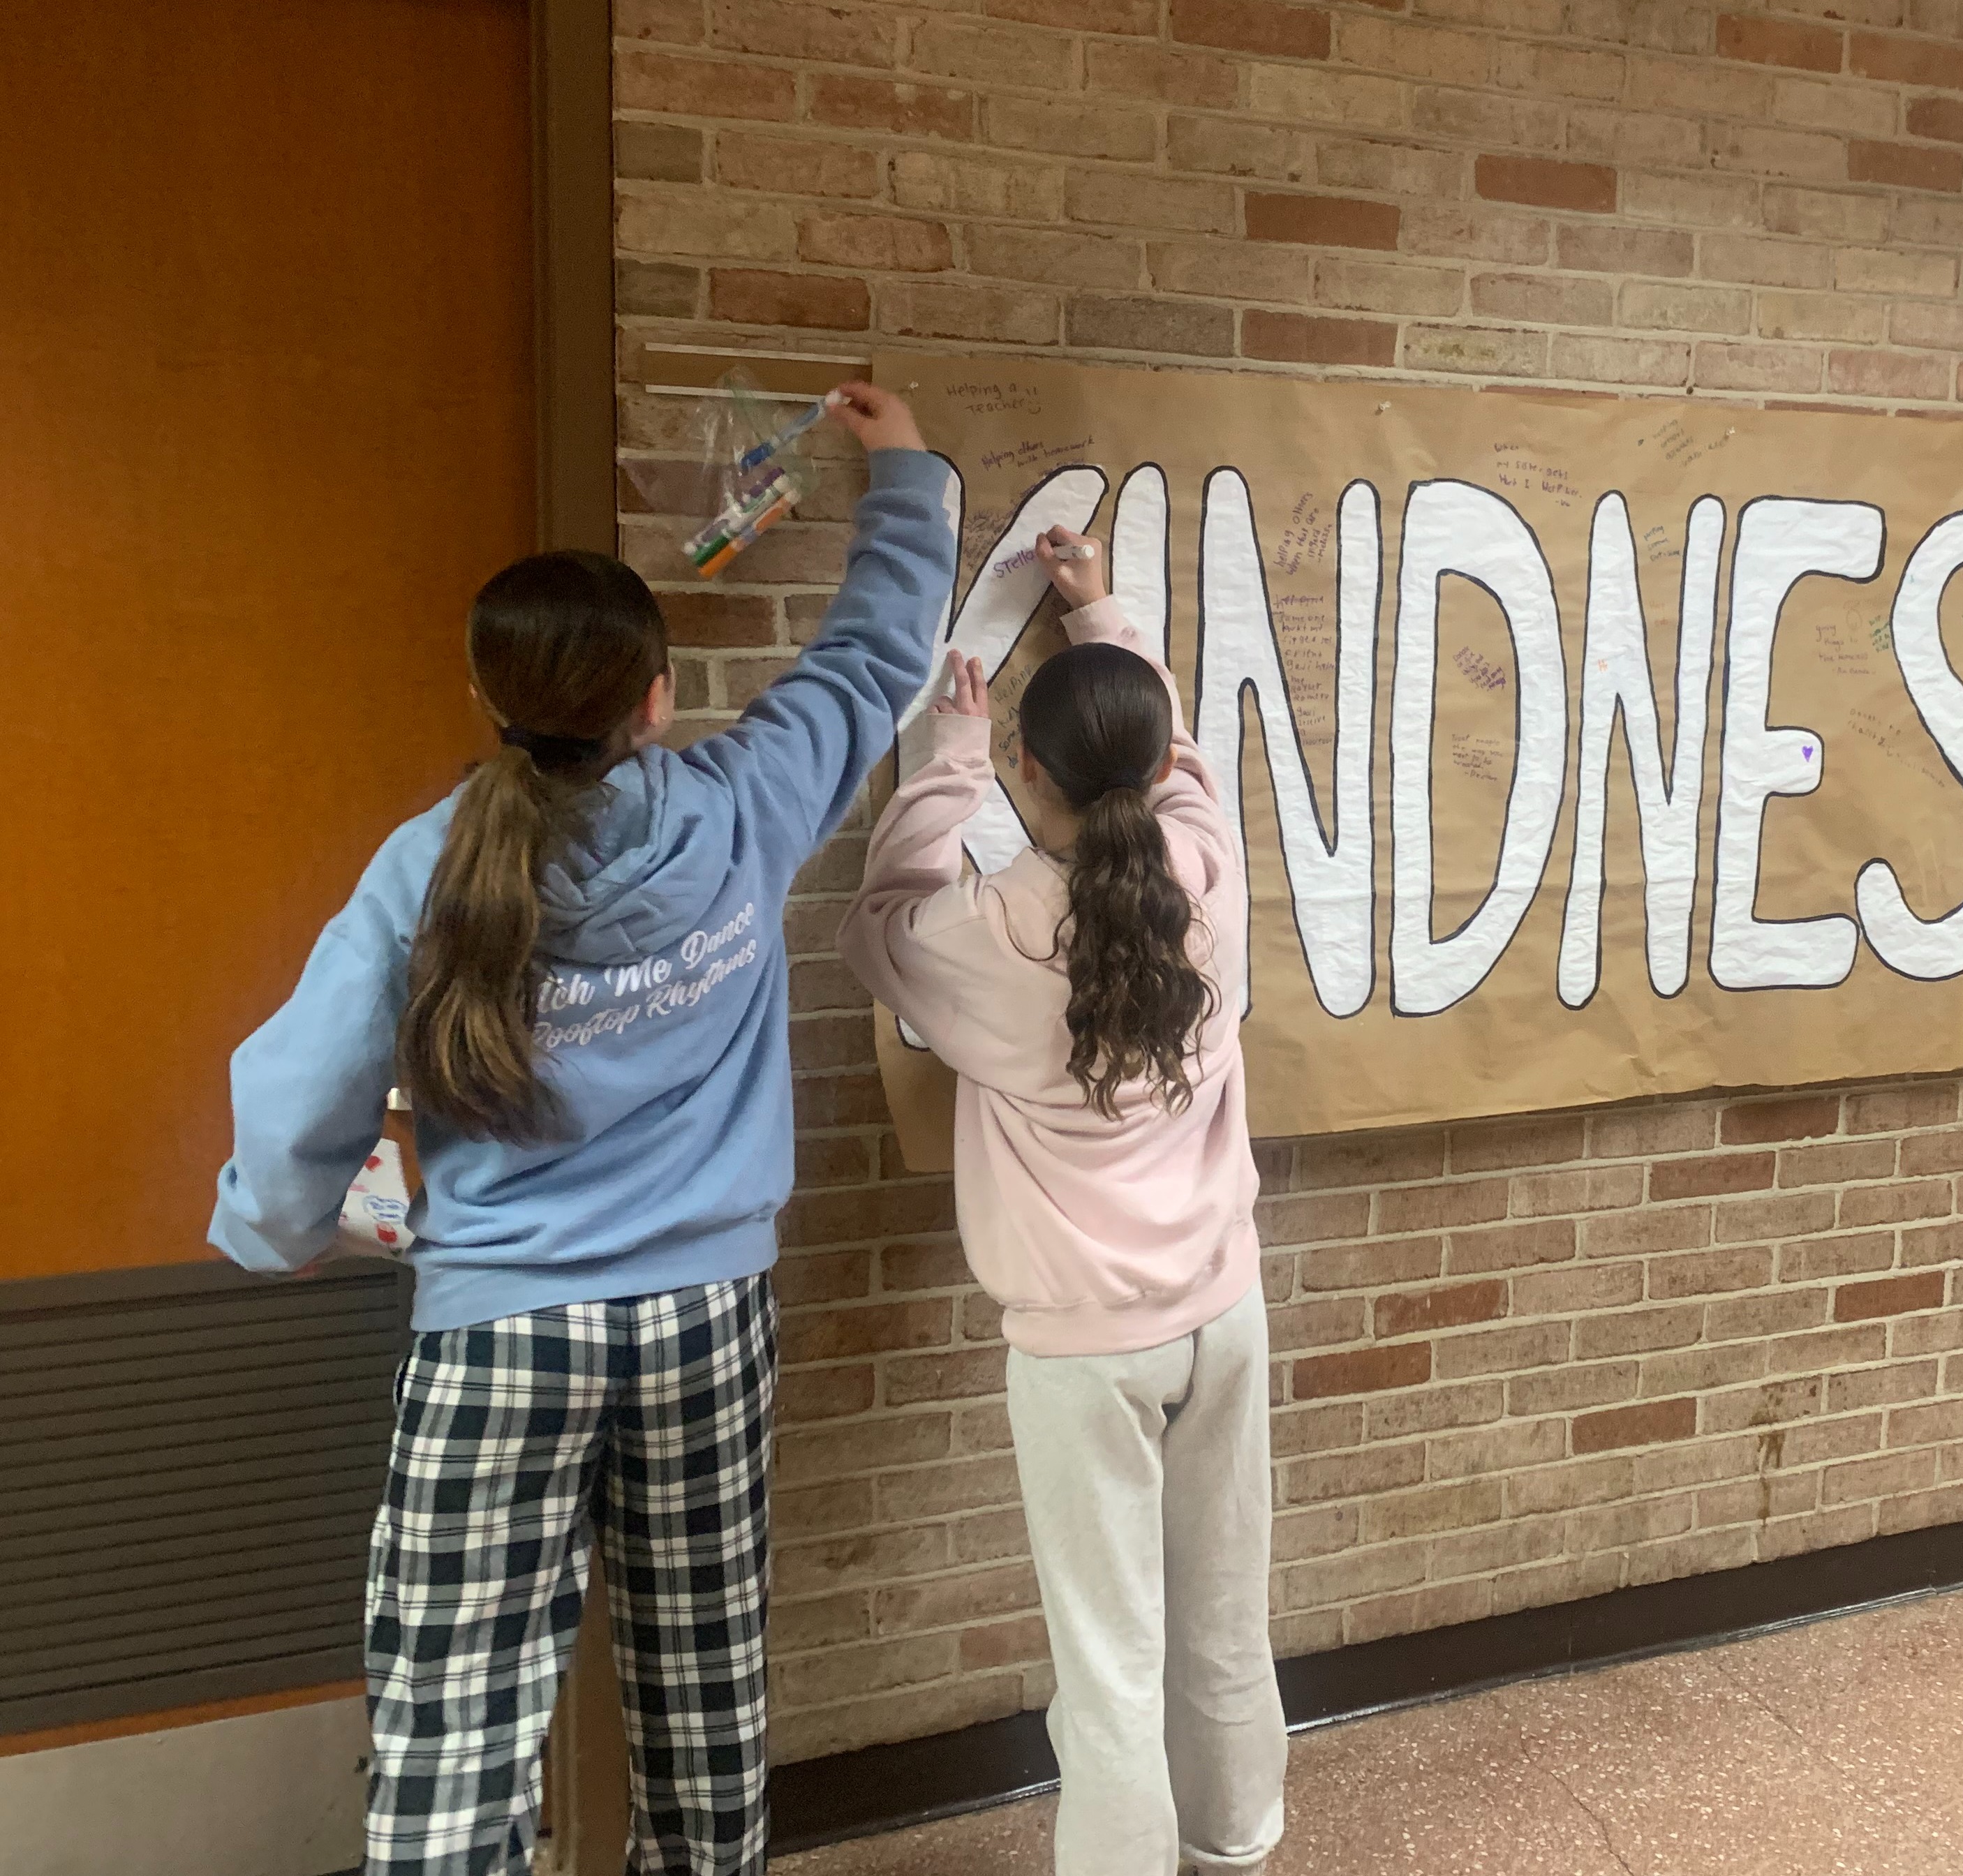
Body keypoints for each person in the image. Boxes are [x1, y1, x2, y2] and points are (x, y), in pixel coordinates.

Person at [208, 382, 950, 1875]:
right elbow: (874, 660)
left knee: (454, 1733)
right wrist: (908, 470)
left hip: (498, 1331)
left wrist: (274, 1232)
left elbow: (297, 1101)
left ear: (489, 703)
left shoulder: (429, 867)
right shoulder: (743, 806)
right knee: (702, 1700)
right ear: (657, 695)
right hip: (706, 1321)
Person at [836, 534, 1283, 1876]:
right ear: (1152, 772)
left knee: (1110, 1656)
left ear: (1033, 774)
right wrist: (1101, 612)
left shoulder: (990, 932)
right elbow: (1185, 759)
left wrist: (952, 752)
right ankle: (1237, 1839)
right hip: (1226, 1312)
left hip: (1084, 1352)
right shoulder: (1207, 872)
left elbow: (877, 920)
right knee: (1220, 1614)